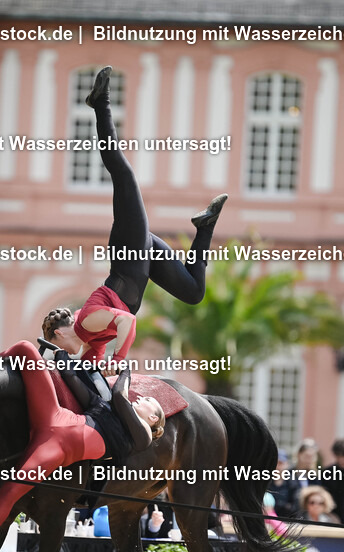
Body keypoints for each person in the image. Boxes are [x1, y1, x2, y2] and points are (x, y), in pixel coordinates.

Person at [40, 66, 227, 372]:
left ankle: (100, 104)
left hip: (131, 251)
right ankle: (204, 227)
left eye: (60, 349)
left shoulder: (87, 320)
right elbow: (89, 369)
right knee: (193, 293)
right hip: (146, 258)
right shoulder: (91, 338)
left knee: (124, 175)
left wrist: (118, 361)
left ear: (60, 333)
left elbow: (126, 320)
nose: (63, 356)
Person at [0, 340, 164, 552]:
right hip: (53, 419)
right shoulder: (108, 408)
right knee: (26, 349)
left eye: (150, 402)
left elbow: (120, 394)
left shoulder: (143, 436)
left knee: (7, 497)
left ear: (153, 419)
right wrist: (63, 360)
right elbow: (81, 390)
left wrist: (125, 370)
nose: (142, 398)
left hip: (56, 447)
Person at [267, 449, 301, 518]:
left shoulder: (294, 483)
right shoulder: (265, 482)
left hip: (288, 521)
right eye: (275, 463)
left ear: (287, 464)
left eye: (280, 463)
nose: (277, 467)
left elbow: (295, 507)